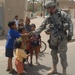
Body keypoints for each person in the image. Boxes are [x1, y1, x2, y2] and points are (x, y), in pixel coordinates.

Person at [31, 1, 73, 75]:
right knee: (53, 53)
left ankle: (64, 72)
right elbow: (42, 26)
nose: (47, 10)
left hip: (62, 39)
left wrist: (70, 34)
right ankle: (54, 69)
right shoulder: (49, 17)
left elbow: (70, 23)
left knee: (62, 55)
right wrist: (34, 33)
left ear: (52, 7)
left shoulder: (62, 14)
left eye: (48, 8)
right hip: (53, 39)